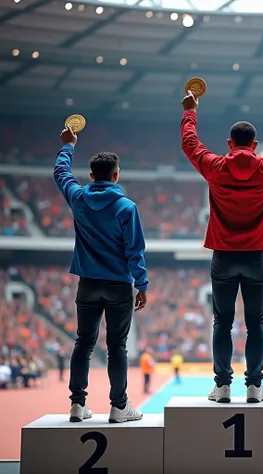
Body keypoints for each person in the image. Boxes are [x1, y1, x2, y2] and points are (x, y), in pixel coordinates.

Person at [180, 90, 263, 403]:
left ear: (229, 144)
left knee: (221, 323)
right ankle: (254, 387)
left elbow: (190, 144)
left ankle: (222, 386)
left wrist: (190, 112)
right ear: (255, 145)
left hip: (223, 256)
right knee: (256, 324)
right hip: (255, 257)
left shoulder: (215, 167)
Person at [54, 125, 148, 423]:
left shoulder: (79, 198)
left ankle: (77, 405)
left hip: (88, 284)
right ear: (116, 175)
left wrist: (69, 145)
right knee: (117, 346)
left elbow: (61, 174)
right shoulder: (127, 207)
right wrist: (142, 284)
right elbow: (135, 250)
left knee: (84, 342)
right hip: (119, 286)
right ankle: (119, 406)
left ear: (92, 175)